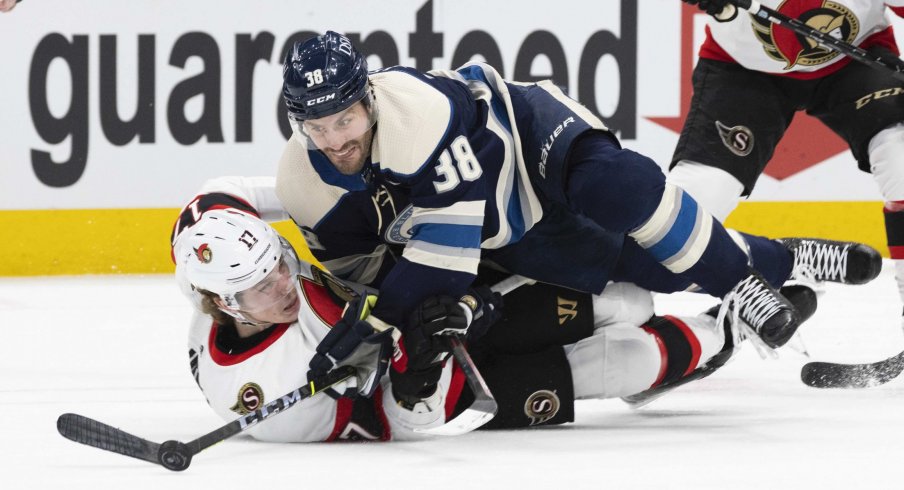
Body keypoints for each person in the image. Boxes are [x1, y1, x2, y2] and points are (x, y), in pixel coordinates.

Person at [274, 30, 881, 358]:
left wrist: (381, 321)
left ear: (369, 100)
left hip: (528, 132)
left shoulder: (416, 120)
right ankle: (787, 257)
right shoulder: (304, 184)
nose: (334, 139)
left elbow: (444, 255)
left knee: (620, 188)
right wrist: (381, 315)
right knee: (651, 268)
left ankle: (740, 286)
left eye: (345, 120)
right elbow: (366, 273)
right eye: (317, 126)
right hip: (511, 226)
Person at [172, 204, 817, 442]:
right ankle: (728, 329)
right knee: (628, 361)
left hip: (454, 303)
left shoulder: (230, 278)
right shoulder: (276, 403)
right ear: (225, 304)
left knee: (627, 299)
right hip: (461, 390)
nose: (285, 284)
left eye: (279, 264)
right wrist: (419, 370)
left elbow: (215, 198)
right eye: (262, 288)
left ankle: (752, 263)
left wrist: (464, 302)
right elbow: (400, 425)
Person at [671, 1, 904, 321]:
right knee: (682, 221)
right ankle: (784, 259)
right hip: (743, 70)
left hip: (856, 58)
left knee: (900, 156)